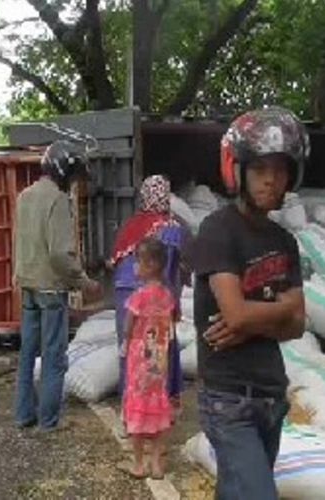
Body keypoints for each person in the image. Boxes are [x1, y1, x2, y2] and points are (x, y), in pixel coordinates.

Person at [192, 106, 308, 499]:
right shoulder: (217, 231)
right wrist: (278, 309)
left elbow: (299, 324)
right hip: (227, 398)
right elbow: (235, 313)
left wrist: (252, 320)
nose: (271, 180)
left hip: (271, 395)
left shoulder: (284, 241)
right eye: (260, 169)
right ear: (237, 170)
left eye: (280, 170)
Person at [14, 140, 102, 432]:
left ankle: (24, 415)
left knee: (27, 354)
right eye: (74, 177)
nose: (74, 184)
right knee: (53, 357)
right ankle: (48, 422)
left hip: (27, 285)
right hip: (52, 289)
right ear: (64, 171)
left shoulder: (24, 196)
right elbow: (59, 253)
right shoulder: (58, 201)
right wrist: (83, 282)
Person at [109, 175, 189, 409]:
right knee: (160, 349)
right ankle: (161, 403)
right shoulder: (170, 227)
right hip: (153, 296)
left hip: (124, 293)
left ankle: (130, 406)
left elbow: (116, 264)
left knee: (130, 350)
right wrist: (173, 303)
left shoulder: (131, 225)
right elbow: (169, 270)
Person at [119, 237, 176, 480]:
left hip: (139, 357)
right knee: (159, 403)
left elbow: (128, 326)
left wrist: (125, 343)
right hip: (160, 356)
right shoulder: (167, 296)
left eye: (138, 262)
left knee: (137, 407)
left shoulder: (138, 297)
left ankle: (138, 464)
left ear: (151, 265)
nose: (135, 267)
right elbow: (171, 325)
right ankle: (156, 464)